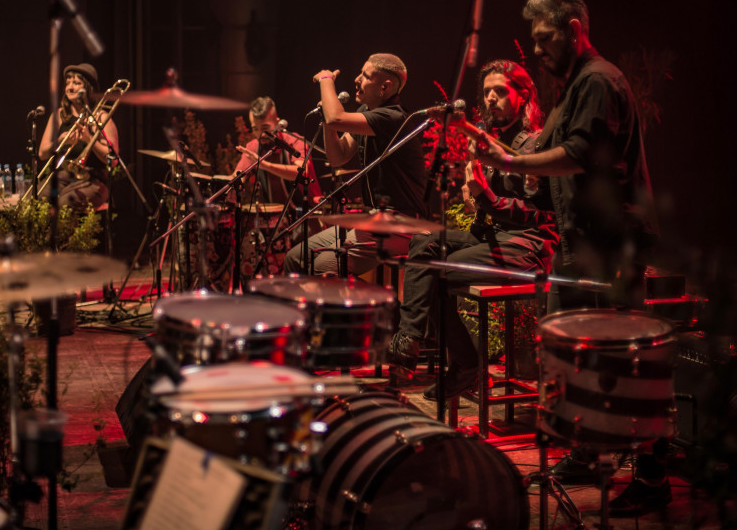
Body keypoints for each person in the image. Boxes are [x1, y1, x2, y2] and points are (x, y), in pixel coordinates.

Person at [473, 0, 664, 516]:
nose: (536, 50)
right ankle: (584, 454)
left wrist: (508, 164)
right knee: (573, 355)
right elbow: (541, 155)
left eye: (545, 38)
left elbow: (578, 156)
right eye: (533, 40)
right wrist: (497, 157)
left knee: (624, 362)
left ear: (575, 28)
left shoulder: (598, 80)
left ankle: (652, 476)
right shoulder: (573, 85)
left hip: (611, 245)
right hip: (582, 242)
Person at [389, 60, 559, 400]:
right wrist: (475, 196)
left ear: (523, 96)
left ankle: (466, 365)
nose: (491, 98)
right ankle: (410, 341)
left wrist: (486, 196)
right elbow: (489, 207)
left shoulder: (536, 144)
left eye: (500, 91)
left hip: (529, 245)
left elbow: (540, 214)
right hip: (498, 235)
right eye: (486, 92)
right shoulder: (491, 141)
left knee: (436, 274)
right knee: (425, 242)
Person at [282, 53, 428, 276]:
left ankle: (369, 308)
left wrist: (326, 80)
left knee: (318, 269)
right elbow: (338, 156)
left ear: (385, 87)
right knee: (295, 258)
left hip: (399, 225)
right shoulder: (366, 113)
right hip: (373, 219)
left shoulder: (393, 117)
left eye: (366, 75)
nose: (357, 79)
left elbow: (337, 118)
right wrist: (327, 119)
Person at [38, 63, 118, 210]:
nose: (70, 87)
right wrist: (61, 140)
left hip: (94, 180)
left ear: (88, 87)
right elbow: (42, 153)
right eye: (68, 83)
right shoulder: (58, 116)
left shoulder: (101, 117)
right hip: (64, 175)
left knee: (66, 202)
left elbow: (112, 161)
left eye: (76, 83)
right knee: (38, 197)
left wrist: (89, 140)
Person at [233, 96, 321, 207]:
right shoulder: (253, 147)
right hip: (272, 220)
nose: (261, 134)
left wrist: (264, 165)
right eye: (255, 129)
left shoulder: (295, 141)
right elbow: (237, 177)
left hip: (308, 215)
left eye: (265, 128)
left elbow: (302, 172)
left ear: (277, 123)